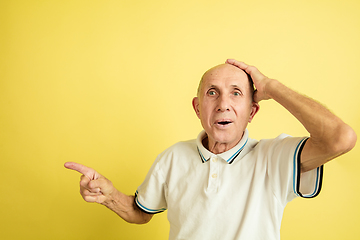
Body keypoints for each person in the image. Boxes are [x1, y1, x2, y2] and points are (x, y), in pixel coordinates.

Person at [65, 59, 357, 239]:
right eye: (212, 93)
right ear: (197, 107)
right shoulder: (173, 157)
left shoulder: (274, 157)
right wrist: (109, 196)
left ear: (252, 112)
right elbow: (141, 212)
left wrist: (271, 86)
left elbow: (340, 139)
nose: (223, 104)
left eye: (236, 93)